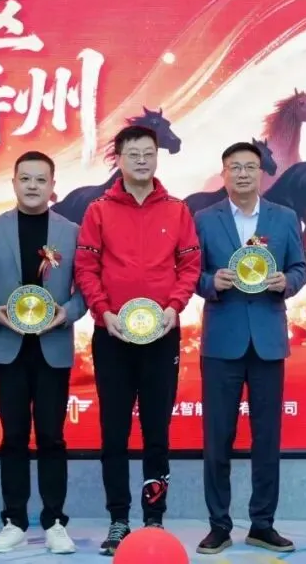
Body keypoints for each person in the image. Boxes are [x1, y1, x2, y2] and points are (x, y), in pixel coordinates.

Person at [74, 125, 202, 556]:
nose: (142, 160)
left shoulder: (177, 210)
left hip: (162, 335)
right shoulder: (98, 210)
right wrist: (103, 312)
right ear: (120, 159)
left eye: (149, 153)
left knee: (156, 430)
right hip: (112, 335)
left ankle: (153, 519)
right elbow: (86, 268)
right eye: (134, 154)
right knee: (113, 431)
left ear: (157, 157)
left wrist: (174, 307)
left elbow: (189, 266)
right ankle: (118, 520)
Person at [0, 150, 87, 555]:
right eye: (26, 179)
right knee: (13, 436)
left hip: (52, 347)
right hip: (8, 347)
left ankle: (55, 522)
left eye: (41, 179)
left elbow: (87, 288)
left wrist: (67, 314)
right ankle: (14, 521)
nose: (33, 186)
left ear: (53, 186)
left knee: (52, 436)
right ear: (14, 183)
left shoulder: (72, 231)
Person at [192, 141, 306, 555]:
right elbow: (189, 273)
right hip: (221, 342)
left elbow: (300, 267)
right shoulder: (204, 219)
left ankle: (262, 524)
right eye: (234, 167)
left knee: (267, 439)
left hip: (267, 341)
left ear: (261, 174)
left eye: (249, 167)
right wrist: (210, 283)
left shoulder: (284, 217)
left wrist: (287, 282)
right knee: (217, 438)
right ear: (224, 174)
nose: (242, 174)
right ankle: (218, 526)